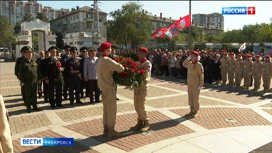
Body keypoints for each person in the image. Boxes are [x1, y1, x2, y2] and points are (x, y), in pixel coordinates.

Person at [97, 42, 124, 137]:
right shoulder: (107, 60)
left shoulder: (100, 60)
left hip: (103, 87)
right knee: (111, 109)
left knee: (106, 109)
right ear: (105, 50)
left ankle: (106, 128)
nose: (111, 50)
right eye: (109, 48)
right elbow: (121, 68)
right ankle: (111, 130)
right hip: (109, 87)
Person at [131, 47, 152, 132]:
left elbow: (146, 73)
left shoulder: (147, 63)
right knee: (136, 105)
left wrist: (138, 69)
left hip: (143, 86)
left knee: (141, 105)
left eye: (140, 53)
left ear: (144, 54)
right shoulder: (137, 62)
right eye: (138, 53)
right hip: (137, 86)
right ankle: (140, 121)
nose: (138, 54)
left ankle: (146, 122)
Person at [18, 46, 41, 113]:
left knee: (34, 94)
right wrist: (21, 81)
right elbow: (20, 73)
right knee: (27, 95)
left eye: (30, 52)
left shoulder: (35, 61)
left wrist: (39, 79)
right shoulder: (23, 62)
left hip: (34, 81)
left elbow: (38, 71)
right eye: (28, 53)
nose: (30, 54)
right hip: (27, 81)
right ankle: (28, 107)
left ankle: (35, 105)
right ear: (25, 54)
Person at [182, 51, 204, 118]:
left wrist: (200, 85)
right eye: (191, 56)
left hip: (196, 85)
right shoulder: (189, 63)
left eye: (193, 56)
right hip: (190, 84)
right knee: (190, 98)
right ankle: (191, 110)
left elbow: (201, 76)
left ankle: (195, 111)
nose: (192, 57)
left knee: (195, 99)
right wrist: (188, 58)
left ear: (196, 57)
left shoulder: (199, 65)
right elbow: (183, 64)